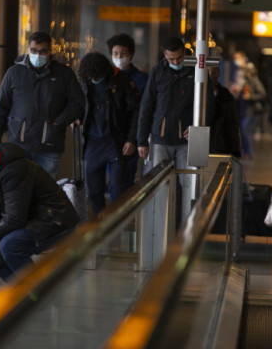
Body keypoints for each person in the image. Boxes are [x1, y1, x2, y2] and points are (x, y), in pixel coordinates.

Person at [0, 143, 79, 281]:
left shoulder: (13, 172)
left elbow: (15, 218)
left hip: (56, 221)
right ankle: (16, 290)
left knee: (10, 245)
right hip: (36, 217)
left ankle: (36, 291)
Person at [136, 37, 213, 224]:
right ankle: (161, 224)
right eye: (171, 59)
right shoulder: (157, 72)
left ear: (185, 53)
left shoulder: (197, 71)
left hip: (186, 140)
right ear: (164, 56)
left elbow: (208, 104)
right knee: (160, 184)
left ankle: (186, 226)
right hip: (160, 137)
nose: (176, 62)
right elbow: (146, 106)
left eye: (179, 58)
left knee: (188, 185)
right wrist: (141, 141)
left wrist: (198, 127)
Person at [0, 31, 85, 178]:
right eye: (34, 51)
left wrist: (59, 122)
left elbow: (78, 103)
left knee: (44, 194)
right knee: (18, 191)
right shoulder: (14, 73)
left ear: (50, 51)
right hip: (17, 146)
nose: (38, 55)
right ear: (28, 49)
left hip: (49, 147)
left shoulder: (64, 74)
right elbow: (0, 107)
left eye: (42, 51)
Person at [77, 52, 139, 215]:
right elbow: (78, 105)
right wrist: (76, 117)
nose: (95, 78)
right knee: (94, 191)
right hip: (93, 142)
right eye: (91, 76)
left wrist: (132, 139)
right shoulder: (85, 83)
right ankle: (100, 226)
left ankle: (118, 223)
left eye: (97, 75)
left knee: (118, 189)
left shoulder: (121, 81)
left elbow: (136, 111)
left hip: (116, 142)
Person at [107, 33, 149, 184]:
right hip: (110, 138)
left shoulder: (140, 78)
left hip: (131, 134)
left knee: (127, 179)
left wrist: (135, 138)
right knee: (113, 179)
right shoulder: (107, 78)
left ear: (131, 55)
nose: (119, 57)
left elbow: (144, 109)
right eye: (115, 53)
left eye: (123, 54)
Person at [230, 51, 266, 159]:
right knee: (243, 130)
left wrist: (250, 97)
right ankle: (245, 151)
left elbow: (262, 94)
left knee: (245, 130)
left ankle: (248, 152)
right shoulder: (247, 82)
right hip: (245, 109)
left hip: (251, 110)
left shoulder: (254, 81)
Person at [208, 65, 241, 158]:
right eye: (208, 73)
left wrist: (235, 150)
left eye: (214, 72)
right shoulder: (197, 94)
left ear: (218, 74)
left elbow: (232, 124)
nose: (211, 76)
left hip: (221, 146)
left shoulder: (225, 96)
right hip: (202, 146)